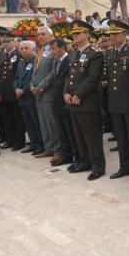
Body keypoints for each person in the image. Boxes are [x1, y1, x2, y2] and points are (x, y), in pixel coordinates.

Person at [103, 20, 129, 184]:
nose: (112, 37)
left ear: (124, 35)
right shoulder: (109, 53)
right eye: (111, 34)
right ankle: (124, 166)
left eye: (116, 34)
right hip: (115, 102)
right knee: (120, 137)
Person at [63, 21, 105, 180]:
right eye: (73, 33)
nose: (74, 36)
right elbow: (69, 77)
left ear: (87, 35)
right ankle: (84, 162)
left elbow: (92, 79)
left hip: (87, 102)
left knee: (91, 136)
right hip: (73, 102)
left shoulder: (95, 54)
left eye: (77, 33)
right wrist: (65, 92)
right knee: (79, 135)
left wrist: (78, 95)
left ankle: (98, 166)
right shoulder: (76, 54)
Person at [30, 26, 59, 157]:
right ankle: (48, 149)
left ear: (51, 36)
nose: (40, 37)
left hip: (48, 93)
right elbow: (34, 73)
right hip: (38, 94)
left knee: (52, 123)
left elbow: (53, 72)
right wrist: (32, 85)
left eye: (43, 34)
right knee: (43, 124)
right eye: (38, 34)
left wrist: (41, 87)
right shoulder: (40, 52)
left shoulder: (53, 52)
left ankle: (58, 150)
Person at [49, 38, 78, 168]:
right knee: (62, 131)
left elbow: (69, 81)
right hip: (57, 102)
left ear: (62, 48)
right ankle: (66, 155)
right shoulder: (57, 62)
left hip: (66, 102)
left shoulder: (69, 61)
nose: (52, 52)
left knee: (71, 132)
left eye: (54, 49)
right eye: (51, 49)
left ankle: (76, 156)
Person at [13, 40, 44, 155]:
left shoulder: (37, 61)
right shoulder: (21, 63)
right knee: (28, 123)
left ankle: (41, 145)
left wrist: (23, 90)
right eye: (22, 49)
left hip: (31, 96)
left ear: (34, 49)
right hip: (21, 98)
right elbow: (16, 78)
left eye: (26, 48)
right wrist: (16, 88)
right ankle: (33, 143)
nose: (24, 51)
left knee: (37, 123)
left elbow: (33, 79)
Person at [0, 31, 25, 151]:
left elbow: (21, 73)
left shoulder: (18, 54)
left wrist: (18, 88)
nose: (6, 44)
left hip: (14, 91)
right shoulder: (3, 54)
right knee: (7, 117)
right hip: (4, 91)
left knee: (17, 118)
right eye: (4, 42)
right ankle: (10, 140)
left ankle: (19, 141)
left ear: (13, 42)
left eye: (8, 41)